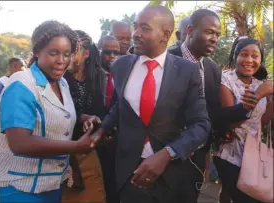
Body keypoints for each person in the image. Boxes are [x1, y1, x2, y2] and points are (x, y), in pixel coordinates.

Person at [86, 5, 211, 203]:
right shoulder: (121, 66)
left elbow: (201, 125)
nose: (135, 34)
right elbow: (120, 106)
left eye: (145, 28)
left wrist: (168, 154)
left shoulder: (187, 72)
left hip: (169, 173)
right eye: (135, 27)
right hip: (127, 172)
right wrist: (103, 128)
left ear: (165, 34)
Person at [0, 20, 100, 203]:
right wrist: (76, 147)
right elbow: (19, 143)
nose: (61, 61)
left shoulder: (61, 83)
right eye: (54, 53)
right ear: (37, 51)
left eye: (67, 54)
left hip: (52, 185)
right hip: (19, 188)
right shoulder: (21, 85)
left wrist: (84, 118)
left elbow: (59, 113)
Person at [168, 9, 260, 201]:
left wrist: (242, 110)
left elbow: (213, 113)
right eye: (209, 32)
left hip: (198, 156)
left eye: (217, 34)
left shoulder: (211, 69)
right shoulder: (167, 60)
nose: (214, 39)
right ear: (190, 30)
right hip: (166, 153)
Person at [214, 37, 273, 203]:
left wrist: (272, 101)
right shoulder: (225, 80)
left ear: (260, 60)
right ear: (235, 57)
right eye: (244, 54)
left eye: (255, 56)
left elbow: (264, 122)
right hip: (230, 153)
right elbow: (230, 123)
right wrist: (259, 94)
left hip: (254, 155)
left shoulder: (260, 83)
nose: (249, 60)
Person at [62, 30, 106, 203]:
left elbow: (106, 114)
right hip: (62, 152)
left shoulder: (100, 79)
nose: (68, 57)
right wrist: (80, 117)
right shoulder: (59, 77)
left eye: (74, 51)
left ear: (87, 53)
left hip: (90, 152)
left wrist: (96, 125)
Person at [97, 35, 120, 203]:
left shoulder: (124, 75)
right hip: (93, 136)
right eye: (107, 52)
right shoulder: (91, 76)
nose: (112, 56)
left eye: (116, 52)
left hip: (117, 140)